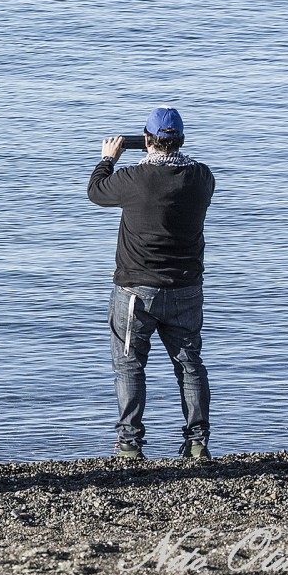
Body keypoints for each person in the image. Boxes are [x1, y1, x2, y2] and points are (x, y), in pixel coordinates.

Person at [88, 107, 215, 460]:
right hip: (186, 288)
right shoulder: (202, 177)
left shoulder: (132, 179)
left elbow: (96, 192)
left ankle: (130, 444)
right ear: (182, 140)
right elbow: (172, 171)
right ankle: (197, 442)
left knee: (129, 366)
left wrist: (107, 159)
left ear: (146, 141)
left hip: (135, 291)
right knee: (189, 364)